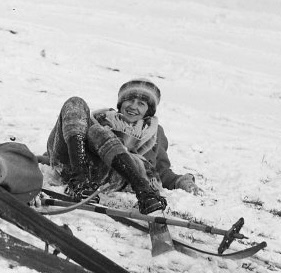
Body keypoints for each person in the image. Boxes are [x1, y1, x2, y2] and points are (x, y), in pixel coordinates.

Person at [45, 78, 199, 215]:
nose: (133, 106)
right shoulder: (99, 118)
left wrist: (180, 181)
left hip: (111, 175)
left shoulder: (155, 133)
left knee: (97, 131)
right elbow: (69, 137)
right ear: (121, 102)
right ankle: (80, 180)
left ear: (149, 110)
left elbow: (161, 170)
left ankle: (143, 189)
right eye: (129, 100)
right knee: (76, 104)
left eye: (141, 103)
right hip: (74, 164)